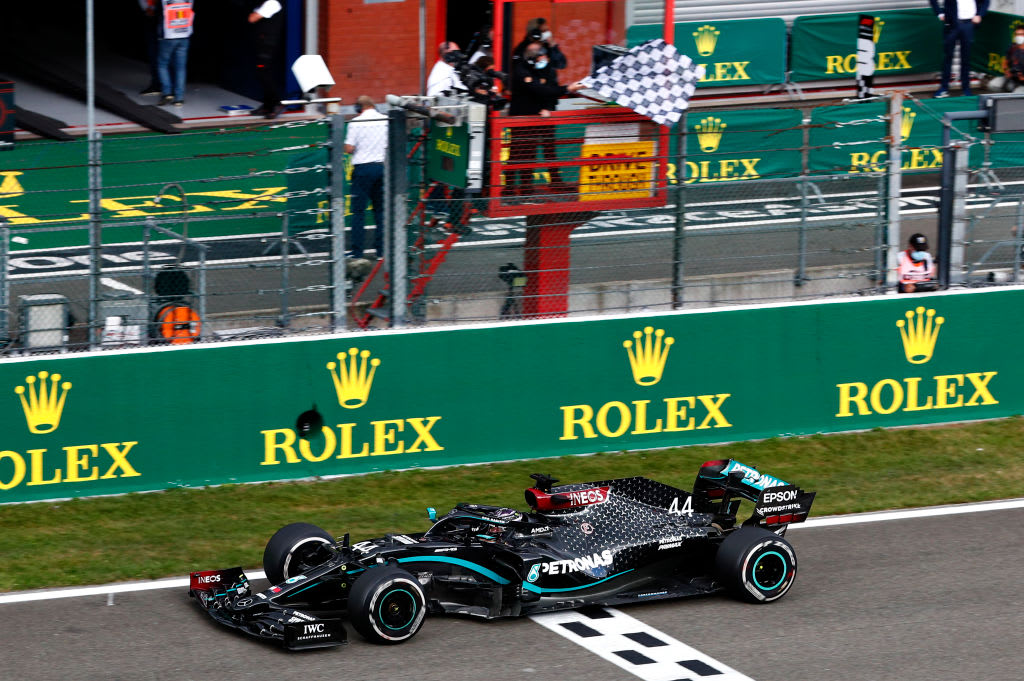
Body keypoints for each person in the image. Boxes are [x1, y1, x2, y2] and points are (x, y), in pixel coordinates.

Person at [506, 41, 585, 196]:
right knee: (517, 154)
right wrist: (567, 88)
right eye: (541, 56)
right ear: (532, 58)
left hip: (541, 118)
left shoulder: (545, 69)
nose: (544, 58)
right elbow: (538, 89)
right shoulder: (522, 70)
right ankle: (508, 188)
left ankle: (529, 188)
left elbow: (549, 88)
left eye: (544, 55)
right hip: (521, 119)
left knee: (537, 154)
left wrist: (548, 108)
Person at [344, 96, 388, 259]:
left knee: (358, 212)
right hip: (381, 167)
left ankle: (357, 252)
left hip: (362, 169)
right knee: (380, 211)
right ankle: (381, 250)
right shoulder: (385, 120)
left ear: (359, 108)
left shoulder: (356, 122)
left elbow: (349, 148)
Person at [930, 0, 990, 97]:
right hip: (951, 24)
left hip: (968, 24)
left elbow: (985, 1)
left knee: (966, 58)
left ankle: (966, 89)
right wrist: (939, 13)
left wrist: (980, 14)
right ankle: (944, 88)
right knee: (947, 57)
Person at [248, 0, 285, 119]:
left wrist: (255, 12)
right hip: (262, 44)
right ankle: (268, 105)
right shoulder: (263, 4)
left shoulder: (272, 3)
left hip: (267, 46)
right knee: (262, 73)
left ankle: (277, 103)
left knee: (264, 73)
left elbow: (252, 18)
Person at [155, 0, 195, 107]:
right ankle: (179, 98)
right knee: (180, 68)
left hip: (168, 36)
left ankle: (167, 93)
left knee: (162, 64)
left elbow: (157, 12)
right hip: (184, 35)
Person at [987, 25, 1024, 93]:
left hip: (1022, 83)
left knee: (1017, 94)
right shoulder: (1012, 47)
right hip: (1012, 78)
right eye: (1017, 34)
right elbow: (1005, 62)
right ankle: (1007, 96)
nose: (1019, 36)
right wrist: (1006, 70)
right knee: (992, 85)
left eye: (1021, 34)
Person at [138, 0, 162, 96]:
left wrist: (149, 9)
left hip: (158, 18)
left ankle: (157, 84)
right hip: (171, 20)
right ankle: (169, 88)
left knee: (156, 54)